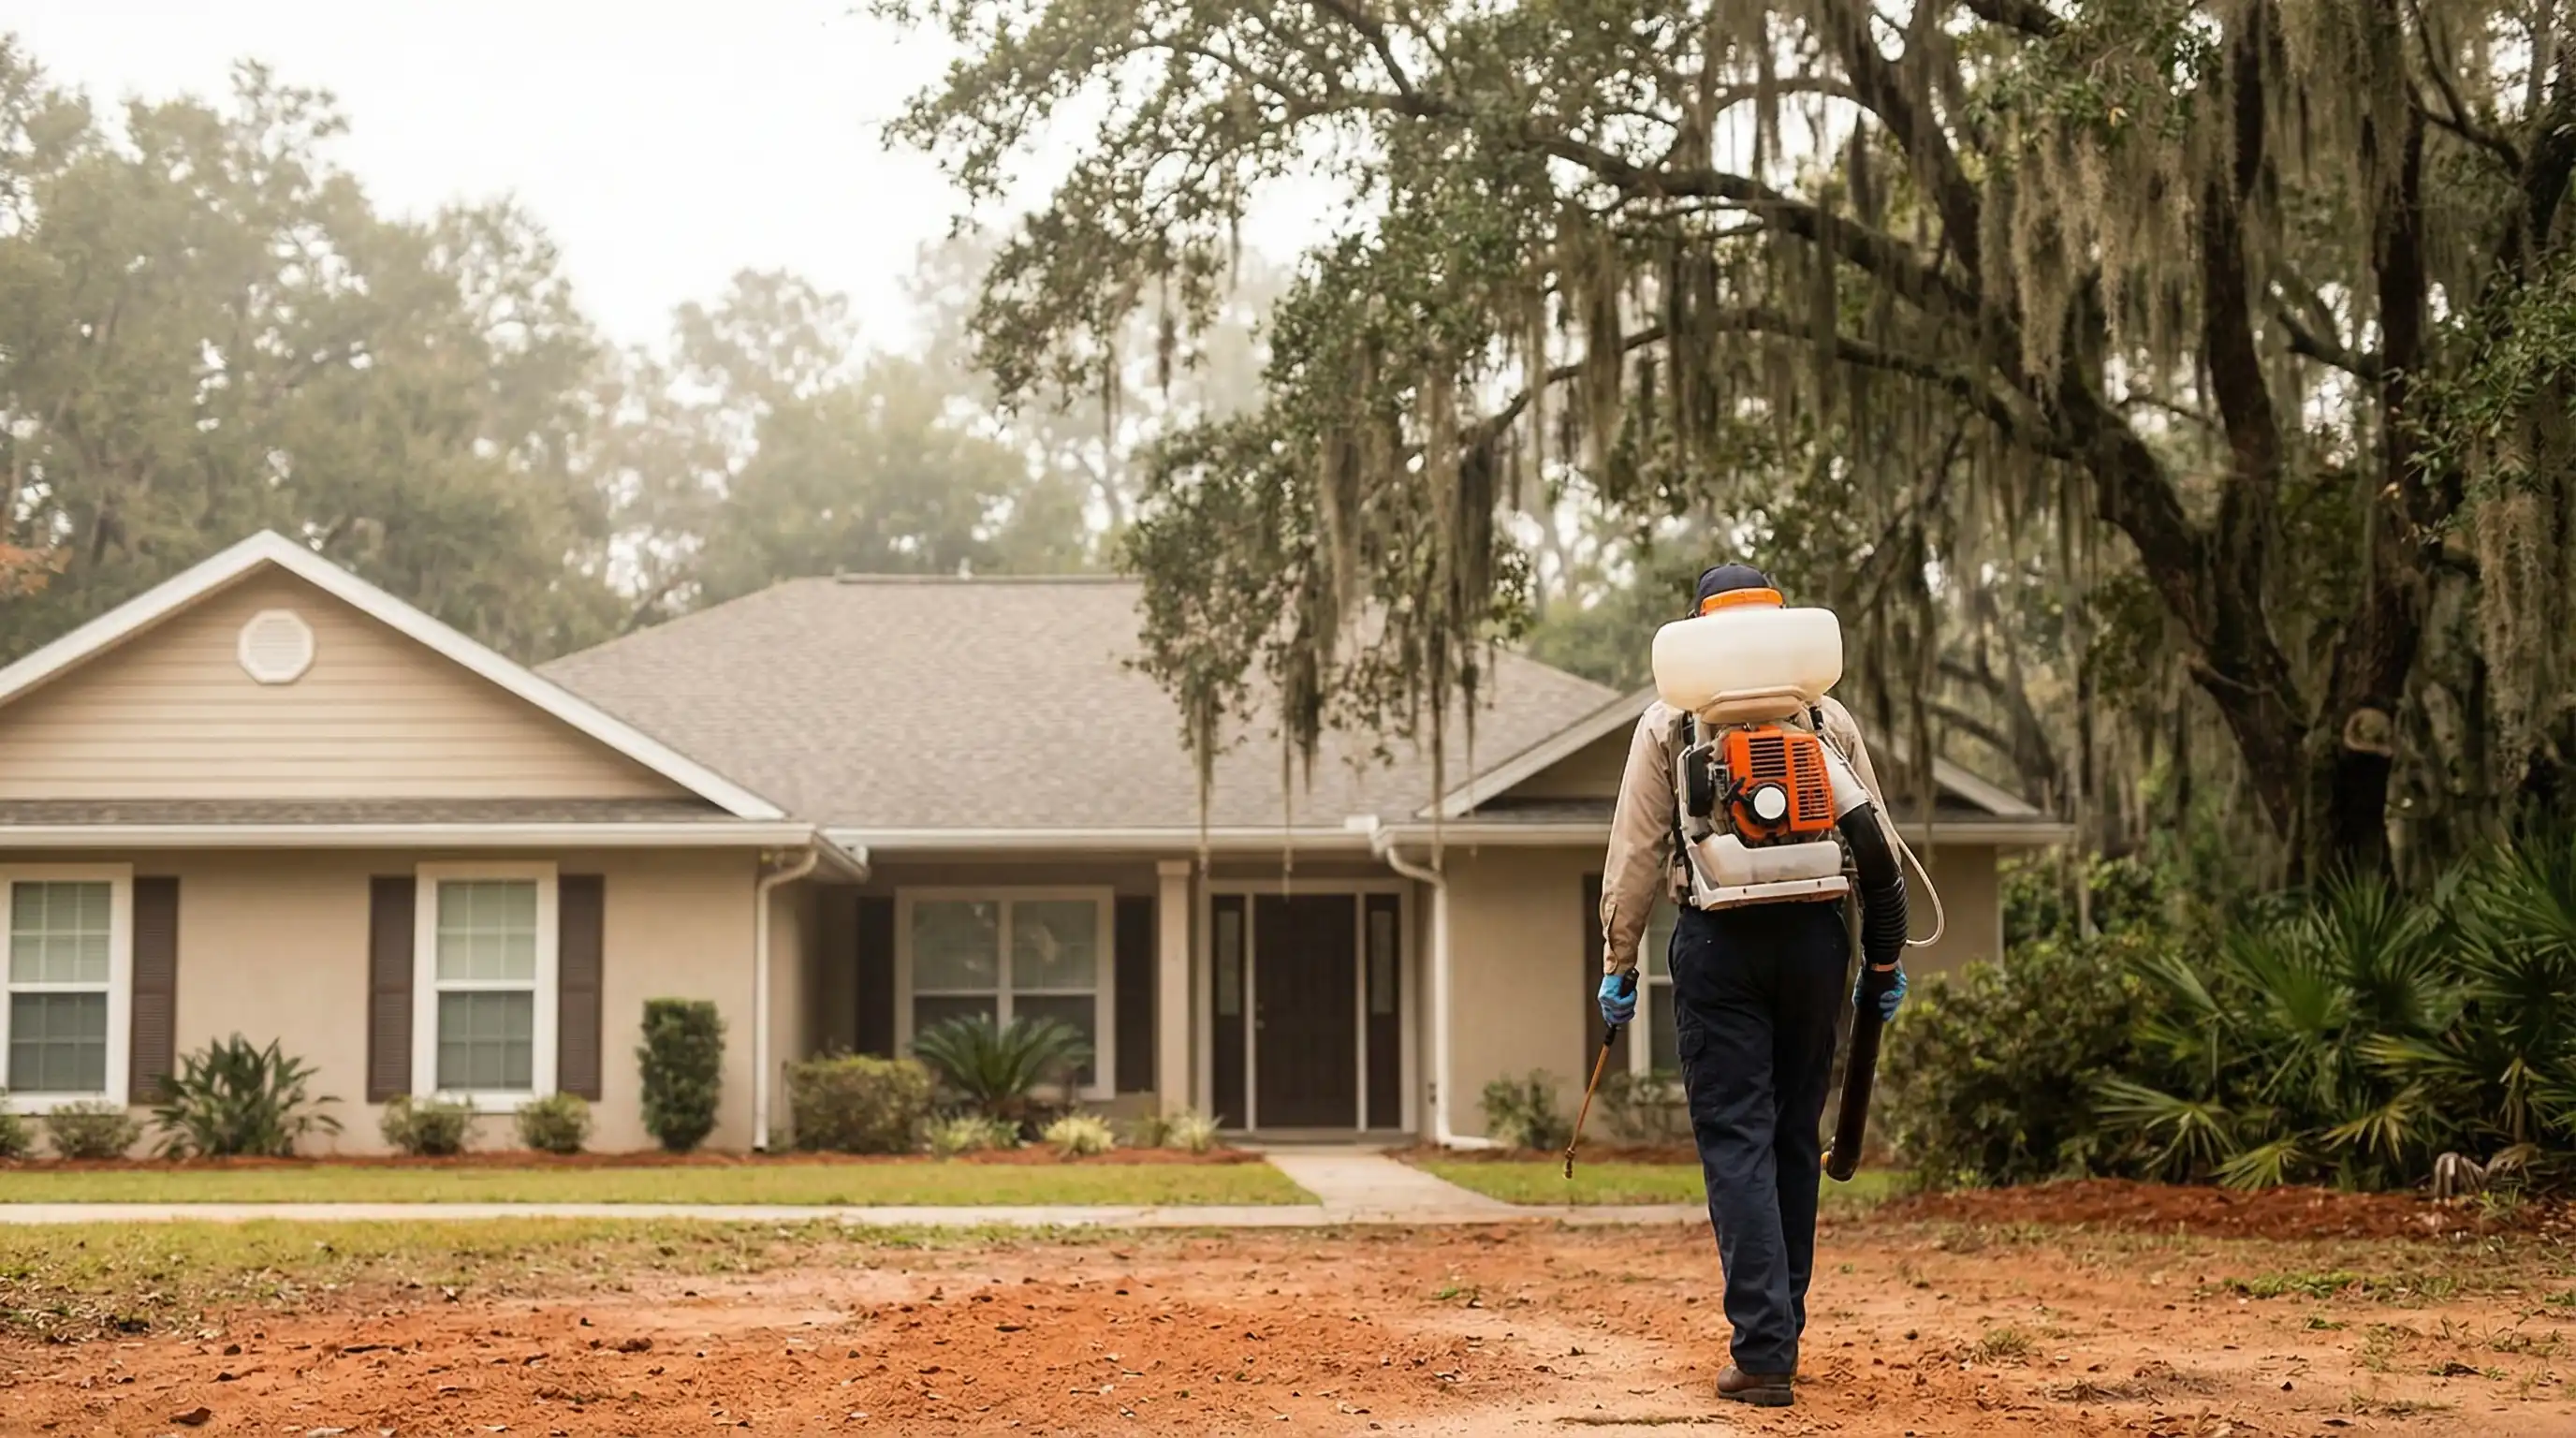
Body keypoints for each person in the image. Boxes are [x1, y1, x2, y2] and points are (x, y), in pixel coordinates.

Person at [1595, 563, 1909, 1410]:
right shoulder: (1823, 716)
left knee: (1737, 1138)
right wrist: (1883, 960)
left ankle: (1764, 1351)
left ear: (1694, 628)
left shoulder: (1669, 719)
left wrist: (1619, 963)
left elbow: (1632, 856)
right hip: (1816, 939)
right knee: (1793, 1137)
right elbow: (1875, 839)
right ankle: (1783, 1328)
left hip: (1717, 942)